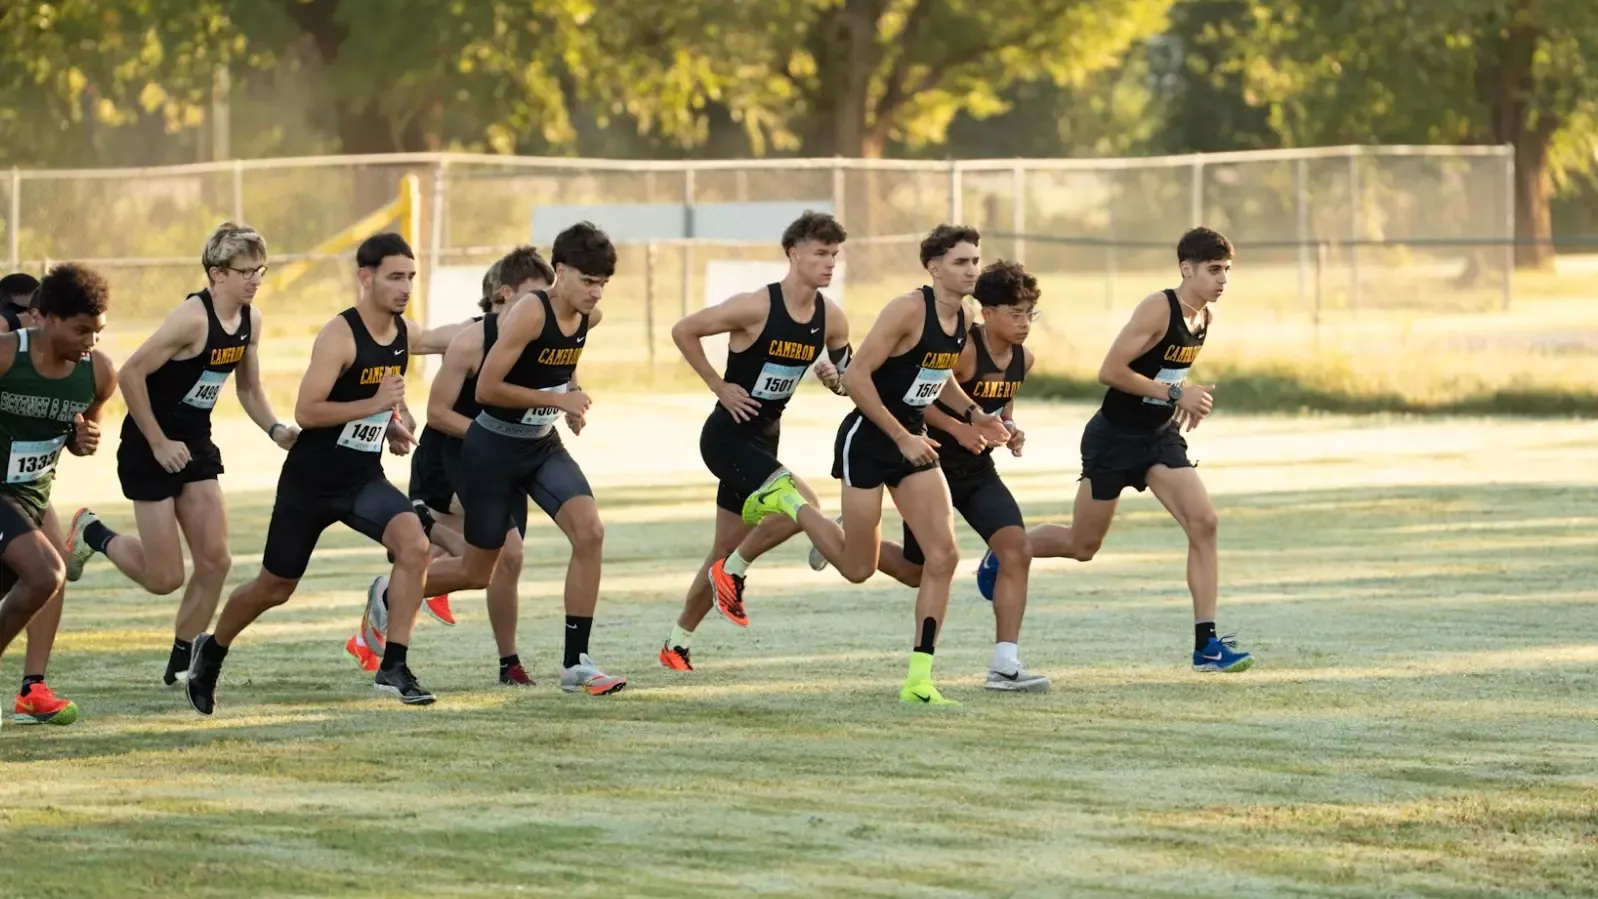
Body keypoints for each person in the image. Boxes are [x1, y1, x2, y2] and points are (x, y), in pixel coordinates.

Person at [740, 224, 1012, 704]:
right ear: (933, 267)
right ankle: (794, 506)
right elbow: (858, 379)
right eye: (960, 262)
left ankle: (919, 680)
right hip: (868, 441)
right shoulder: (907, 309)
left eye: (975, 261)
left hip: (914, 444)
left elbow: (938, 371)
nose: (972, 270)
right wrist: (902, 435)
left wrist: (974, 413)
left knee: (942, 557)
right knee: (857, 569)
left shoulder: (965, 315)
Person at [183, 232, 438, 715]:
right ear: (365, 278)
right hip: (310, 484)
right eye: (394, 277)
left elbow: (443, 345)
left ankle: (394, 666)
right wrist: (377, 404)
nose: (404, 287)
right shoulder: (339, 334)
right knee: (273, 588)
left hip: (362, 480)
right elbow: (308, 410)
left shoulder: (403, 334)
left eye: (410, 277)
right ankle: (211, 649)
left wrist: (392, 424)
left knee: (415, 545)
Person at [982, 227, 1253, 673]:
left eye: (1226, 270)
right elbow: (1110, 370)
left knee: (1204, 522)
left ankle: (1206, 646)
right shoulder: (1158, 307)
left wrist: (1186, 397)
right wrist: (1175, 395)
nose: (1223, 279)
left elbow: (1163, 378)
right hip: (1113, 438)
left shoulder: (1205, 318)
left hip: (1158, 437)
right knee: (1082, 544)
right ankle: (1007, 551)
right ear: (1186, 269)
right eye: (1213, 270)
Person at [61, 223, 299, 689]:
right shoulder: (191, 318)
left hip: (196, 442)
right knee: (164, 577)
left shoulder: (251, 320)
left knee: (216, 561)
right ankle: (93, 532)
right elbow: (130, 374)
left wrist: (275, 429)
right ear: (217, 274)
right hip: (150, 444)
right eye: (244, 271)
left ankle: (184, 653)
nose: (253, 280)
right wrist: (157, 442)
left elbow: (248, 387)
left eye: (259, 270)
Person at [415, 222, 625, 696]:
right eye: (588, 282)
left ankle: (576, 664)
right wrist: (558, 400)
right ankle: (392, 591)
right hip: (492, 448)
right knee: (478, 570)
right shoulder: (530, 311)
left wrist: (567, 393)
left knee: (590, 532)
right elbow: (488, 389)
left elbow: (555, 364)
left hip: (541, 445)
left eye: (603, 284)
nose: (595, 293)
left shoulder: (588, 318)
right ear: (561, 272)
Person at [657, 211, 852, 671]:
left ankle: (676, 642)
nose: (829, 263)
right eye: (821, 253)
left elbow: (850, 379)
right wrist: (717, 385)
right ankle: (738, 570)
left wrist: (833, 379)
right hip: (726, 438)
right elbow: (683, 329)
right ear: (794, 253)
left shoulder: (832, 319)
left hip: (764, 442)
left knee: (721, 549)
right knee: (803, 504)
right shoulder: (756, 306)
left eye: (835, 255)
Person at [357, 246, 553, 685]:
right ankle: (419, 541)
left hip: (507, 455)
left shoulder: (542, 336)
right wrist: (394, 407)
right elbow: (411, 340)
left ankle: (506, 661)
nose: (542, 308)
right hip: (457, 455)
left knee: (494, 563)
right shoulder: (470, 336)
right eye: (533, 298)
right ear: (501, 298)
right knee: (497, 553)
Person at [859, 260, 1050, 692]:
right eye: (1014, 313)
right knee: (915, 571)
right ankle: (852, 535)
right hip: (932, 460)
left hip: (977, 468)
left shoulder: (1025, 358)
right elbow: (917, 398)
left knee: (1016, 548)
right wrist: (960, 427)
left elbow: (1000, 410)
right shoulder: (964, 349)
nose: (1023, 324)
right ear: (987, 312)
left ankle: (1005, 665)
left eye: (1029, 314)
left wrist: (1009, 430)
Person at [0, 263, 117, 727]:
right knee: (47, 572)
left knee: (41, 577)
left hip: (29, 499)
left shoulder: (100, 374)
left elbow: (81, 436)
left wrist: (83, 441)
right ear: (45, 318)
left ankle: (33, 689)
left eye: (98, 331)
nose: (90, 342)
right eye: (81, 330)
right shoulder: (8, 355)